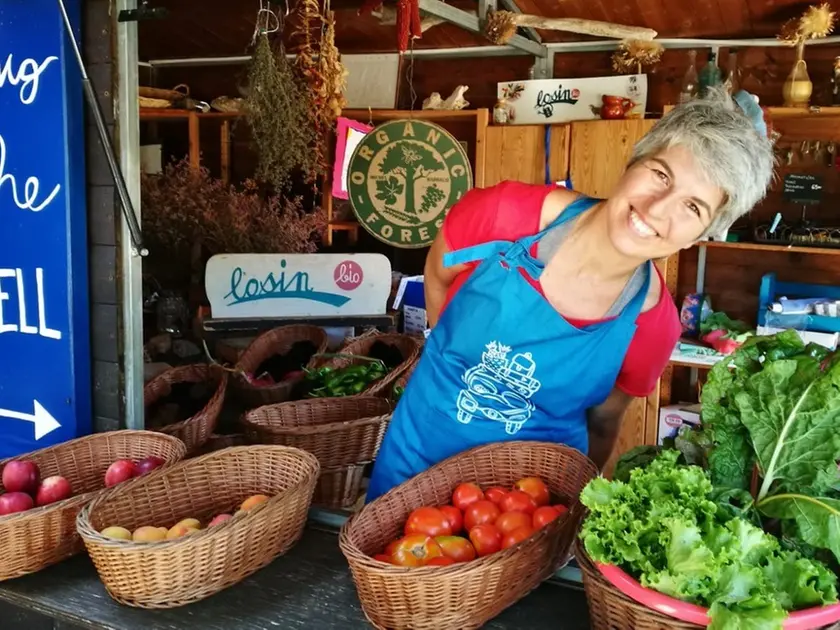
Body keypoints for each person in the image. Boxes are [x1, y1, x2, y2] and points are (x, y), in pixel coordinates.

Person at [366, 88, 775, 503]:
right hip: (413, 461)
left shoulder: (652, 325)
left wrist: (564, 510)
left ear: (700, 235)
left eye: (693, 207)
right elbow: (437, 274)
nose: (657, 209)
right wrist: (447, 356)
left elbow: (603, 425)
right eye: (661, 175)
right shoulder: (502, 215)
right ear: (633, 162)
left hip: (526, 507)